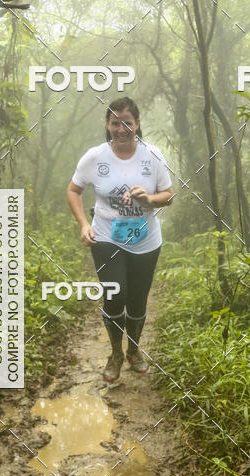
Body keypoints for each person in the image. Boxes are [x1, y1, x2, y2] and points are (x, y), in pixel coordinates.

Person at [67, 98, 173, 382]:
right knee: (115, 296)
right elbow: (73, 191)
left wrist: (149, 199)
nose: (121, 129)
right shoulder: (94, 157)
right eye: (115, 123)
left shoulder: (153, 155)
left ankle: (134, 351)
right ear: (107, 125)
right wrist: (83, 224)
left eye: (127, 122)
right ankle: (115, 354)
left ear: (137, 124)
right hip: (106, 238)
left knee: (137, 300)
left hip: (145, 239)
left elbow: (169, 194)